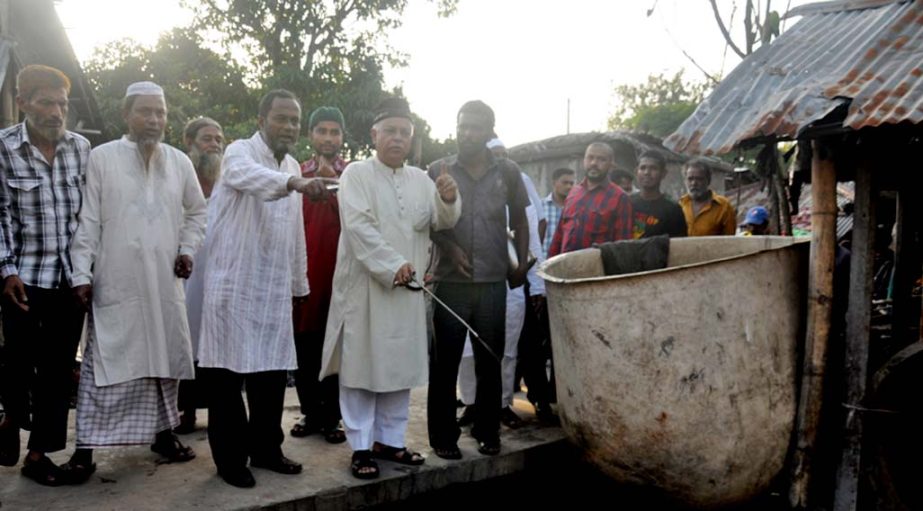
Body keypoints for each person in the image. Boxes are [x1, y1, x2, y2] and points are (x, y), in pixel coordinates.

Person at [66, 81, 207, 481]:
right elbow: (89, 218)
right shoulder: (103, 158)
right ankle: (85, 450)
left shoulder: (179, 161)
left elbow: (197, 212)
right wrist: (81, 273)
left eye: (160, 112)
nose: (154, 119)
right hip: (115, 279)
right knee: (104, 363)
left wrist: (187, 250)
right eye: (145, 111)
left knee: (163, 362)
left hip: (163, 282)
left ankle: (163, 435)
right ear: (126, 115)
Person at [320, 97, 460, 479]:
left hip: (406, 292)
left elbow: (441, 221)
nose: (397, 139)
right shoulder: (357, 175)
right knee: (362, 368)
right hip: (366, 288)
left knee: (398, 369)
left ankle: (391, 442)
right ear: (375, 135)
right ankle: (361, 448)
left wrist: (448, 198)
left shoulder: (420, 179)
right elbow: (359, 228)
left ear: (411, 139)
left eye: (404, 133)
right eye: (390, 132)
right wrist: (392, 264)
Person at [197, 89, 328, 489]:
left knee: (270, 377)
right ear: (261, 120)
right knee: (226, 380)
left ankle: (267, 450)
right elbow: (246, 178)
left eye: (293, 120)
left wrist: (298, 282)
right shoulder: (239, 152)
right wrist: (295, 182)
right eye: (281, 118)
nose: (288, 126)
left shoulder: (290, 164)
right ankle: (230, 460)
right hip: (233, 286)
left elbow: (294, 234)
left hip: (272, 289)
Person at [0, 65, 90, 486]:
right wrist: (6, 270)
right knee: (17, 365)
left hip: (68, 281)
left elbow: (89, 216)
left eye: (62, 104)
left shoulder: (80, 148)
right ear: (23, 103)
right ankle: (11, 418)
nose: (56, 112)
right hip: (22, 279)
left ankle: (38, 454)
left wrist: (86, 272)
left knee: (57, 371)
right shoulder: (3, 148)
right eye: (46, 103)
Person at [427, 100, 530, 459]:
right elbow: (430, 223)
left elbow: (519, 219)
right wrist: (451, 250)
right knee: (444, 365)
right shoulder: (437, 169)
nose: (465, 133)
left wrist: (518, 269)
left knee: (491, 360)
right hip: (450, 283)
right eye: (461, 126)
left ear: (489, 132)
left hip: (491, 283)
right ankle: (443, 437)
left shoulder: (508, 172)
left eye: (474, 127)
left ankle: (488, 432)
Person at [290, 106, 349, 443]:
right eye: (322, 131)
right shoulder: (296, 174)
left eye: (334, 132)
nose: (328, 138)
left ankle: (333, 418)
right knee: (305, 347)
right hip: (304, 276)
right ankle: (311, 413)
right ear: (310, 135)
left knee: (337, 347)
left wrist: (335, 181)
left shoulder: (355, 174)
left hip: (341, 276)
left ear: (342, 137)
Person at [174, 116, 225, 434]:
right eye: (207, 138)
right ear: (189, 142)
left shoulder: (228, 183)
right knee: (185, 339)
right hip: (184, 275)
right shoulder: (177, 180)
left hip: (219, 275)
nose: (215, 144)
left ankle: (218, 412)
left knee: (214, 343)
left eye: (219, 139)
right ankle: (185, 411)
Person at [548, 142, 633, 257]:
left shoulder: (620, 198)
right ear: (584, 160)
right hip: (566, 270)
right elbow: (559, 234)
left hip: (597, 271)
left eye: (601, 159)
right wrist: (550, 263)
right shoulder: (573, 193)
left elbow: (623, 246)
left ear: (611, 165)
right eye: (590, 158)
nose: (594, 163)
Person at [630, 150, 687, 239]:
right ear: (636, 172)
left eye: (653, 168)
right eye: (642, 168)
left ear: (663, 173)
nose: (647, 173)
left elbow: (679, 245)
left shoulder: (673, 209)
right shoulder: (626, 203)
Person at [679, 158, 736, 236]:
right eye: (690, 179)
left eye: (699, 179)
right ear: (685, 181)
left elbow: (730, 240)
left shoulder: (724, 206)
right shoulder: (680, 205)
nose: (694, 183)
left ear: (708, 180)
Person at [541, 167, 575, 258]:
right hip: (543, 264)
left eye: (571, 183)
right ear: (554, 183)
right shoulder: (540, 207)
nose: (569, 186)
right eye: (565, 183)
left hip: (568, 263)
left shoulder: (576, 209)